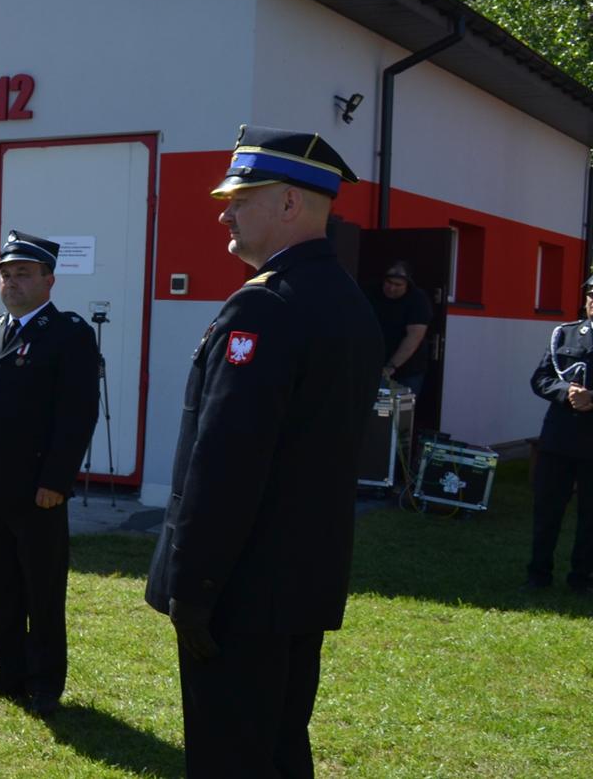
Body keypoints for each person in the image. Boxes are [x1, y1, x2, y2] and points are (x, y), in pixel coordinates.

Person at [144, 126, 380, 777]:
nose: (224, 210)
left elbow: (226, 464)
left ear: (289, 205)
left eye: (241, 197)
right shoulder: (346, 303)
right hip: (300, 584)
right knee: (278, 749)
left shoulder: (268, 309)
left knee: (231, 757)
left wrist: (194, 587)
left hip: (240, 594)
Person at [0, 231, 100, 716]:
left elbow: (77, 415)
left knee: (42, 588)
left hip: (37, 491)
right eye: (6, 275)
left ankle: (45, 682)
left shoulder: (69, 334)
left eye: (23, 274)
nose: (12, 283)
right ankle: (6, 671)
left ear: (49, 280)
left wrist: (57, 480)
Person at [525, 276, 593, 595]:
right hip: (559, 438)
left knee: (590, 517)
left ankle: (582, 577)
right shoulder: (564, 333)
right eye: (592, 295)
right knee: (547, 509)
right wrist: (566, 392)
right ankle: (538, 573)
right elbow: (540, 378)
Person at [369, 260, 431, 394]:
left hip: (406, 370)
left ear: (407, 284)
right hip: (373, 367)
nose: (391, 288)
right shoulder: (371, 292)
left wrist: (391, 366)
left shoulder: (418, 300)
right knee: (377, 412)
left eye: (398, 285)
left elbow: (414, 337)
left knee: (400, 413)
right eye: (389, 283)